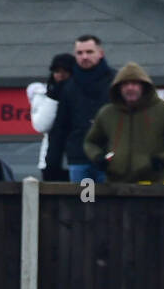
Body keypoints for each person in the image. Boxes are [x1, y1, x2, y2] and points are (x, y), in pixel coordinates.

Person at [82, 62, 164, 184]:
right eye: (125, 84)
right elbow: (90, 142)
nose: (130, 88)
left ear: (144, 86)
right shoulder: (106, 112)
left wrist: (163, 159)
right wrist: (98, 158)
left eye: (135, 84)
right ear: (118, 88)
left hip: (153, 185)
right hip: (114, 186)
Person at [45, 34, 114, 183]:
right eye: (80, 53)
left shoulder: (116, 82)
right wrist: (52, 162)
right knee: (85, 202)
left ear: (100, 53)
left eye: (89, 52)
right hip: (79, 159)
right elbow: (60, 127)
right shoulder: (69, 86)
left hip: (109, 159)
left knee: (110, 204)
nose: (84, 57)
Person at [29, 53, 75, 180]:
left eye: (65, 71)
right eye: (57, 71)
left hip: (79, 161)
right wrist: (54, 98)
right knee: (55, 199)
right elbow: (41, 126)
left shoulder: (82, 93)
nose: (60, 75)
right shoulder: (44, 95)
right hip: (52, 161)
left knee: (87, 198)